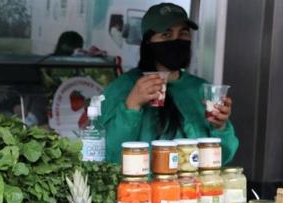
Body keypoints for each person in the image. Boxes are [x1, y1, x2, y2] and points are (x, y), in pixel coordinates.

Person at [99, 3, 238, 164]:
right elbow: (108, 156)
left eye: (183, 33)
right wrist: (132, 106)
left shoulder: (201, 90)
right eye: (166, 34)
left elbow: (222, 158)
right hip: (143, 188)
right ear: (148, 42)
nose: (176, 40)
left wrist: (220, 127)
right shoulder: (122, 88)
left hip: (193, 187)